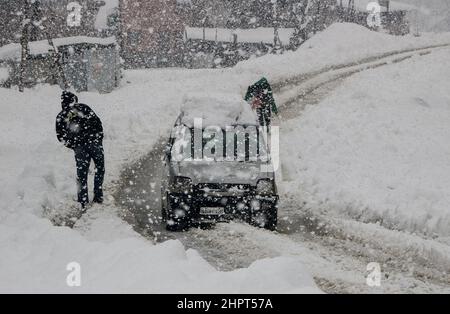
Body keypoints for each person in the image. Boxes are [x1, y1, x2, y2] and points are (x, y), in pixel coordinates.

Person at [56, 91, 105, 210]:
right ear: (74, 99)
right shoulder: (84, 107)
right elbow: (97, 122)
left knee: (81, 173)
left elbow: (60, 136)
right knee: (99, 168)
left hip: (79, 147)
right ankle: (98, 195)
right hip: (94, 143)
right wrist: (98, 138)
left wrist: (73, 145)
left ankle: (82, 199)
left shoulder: (61, 116)